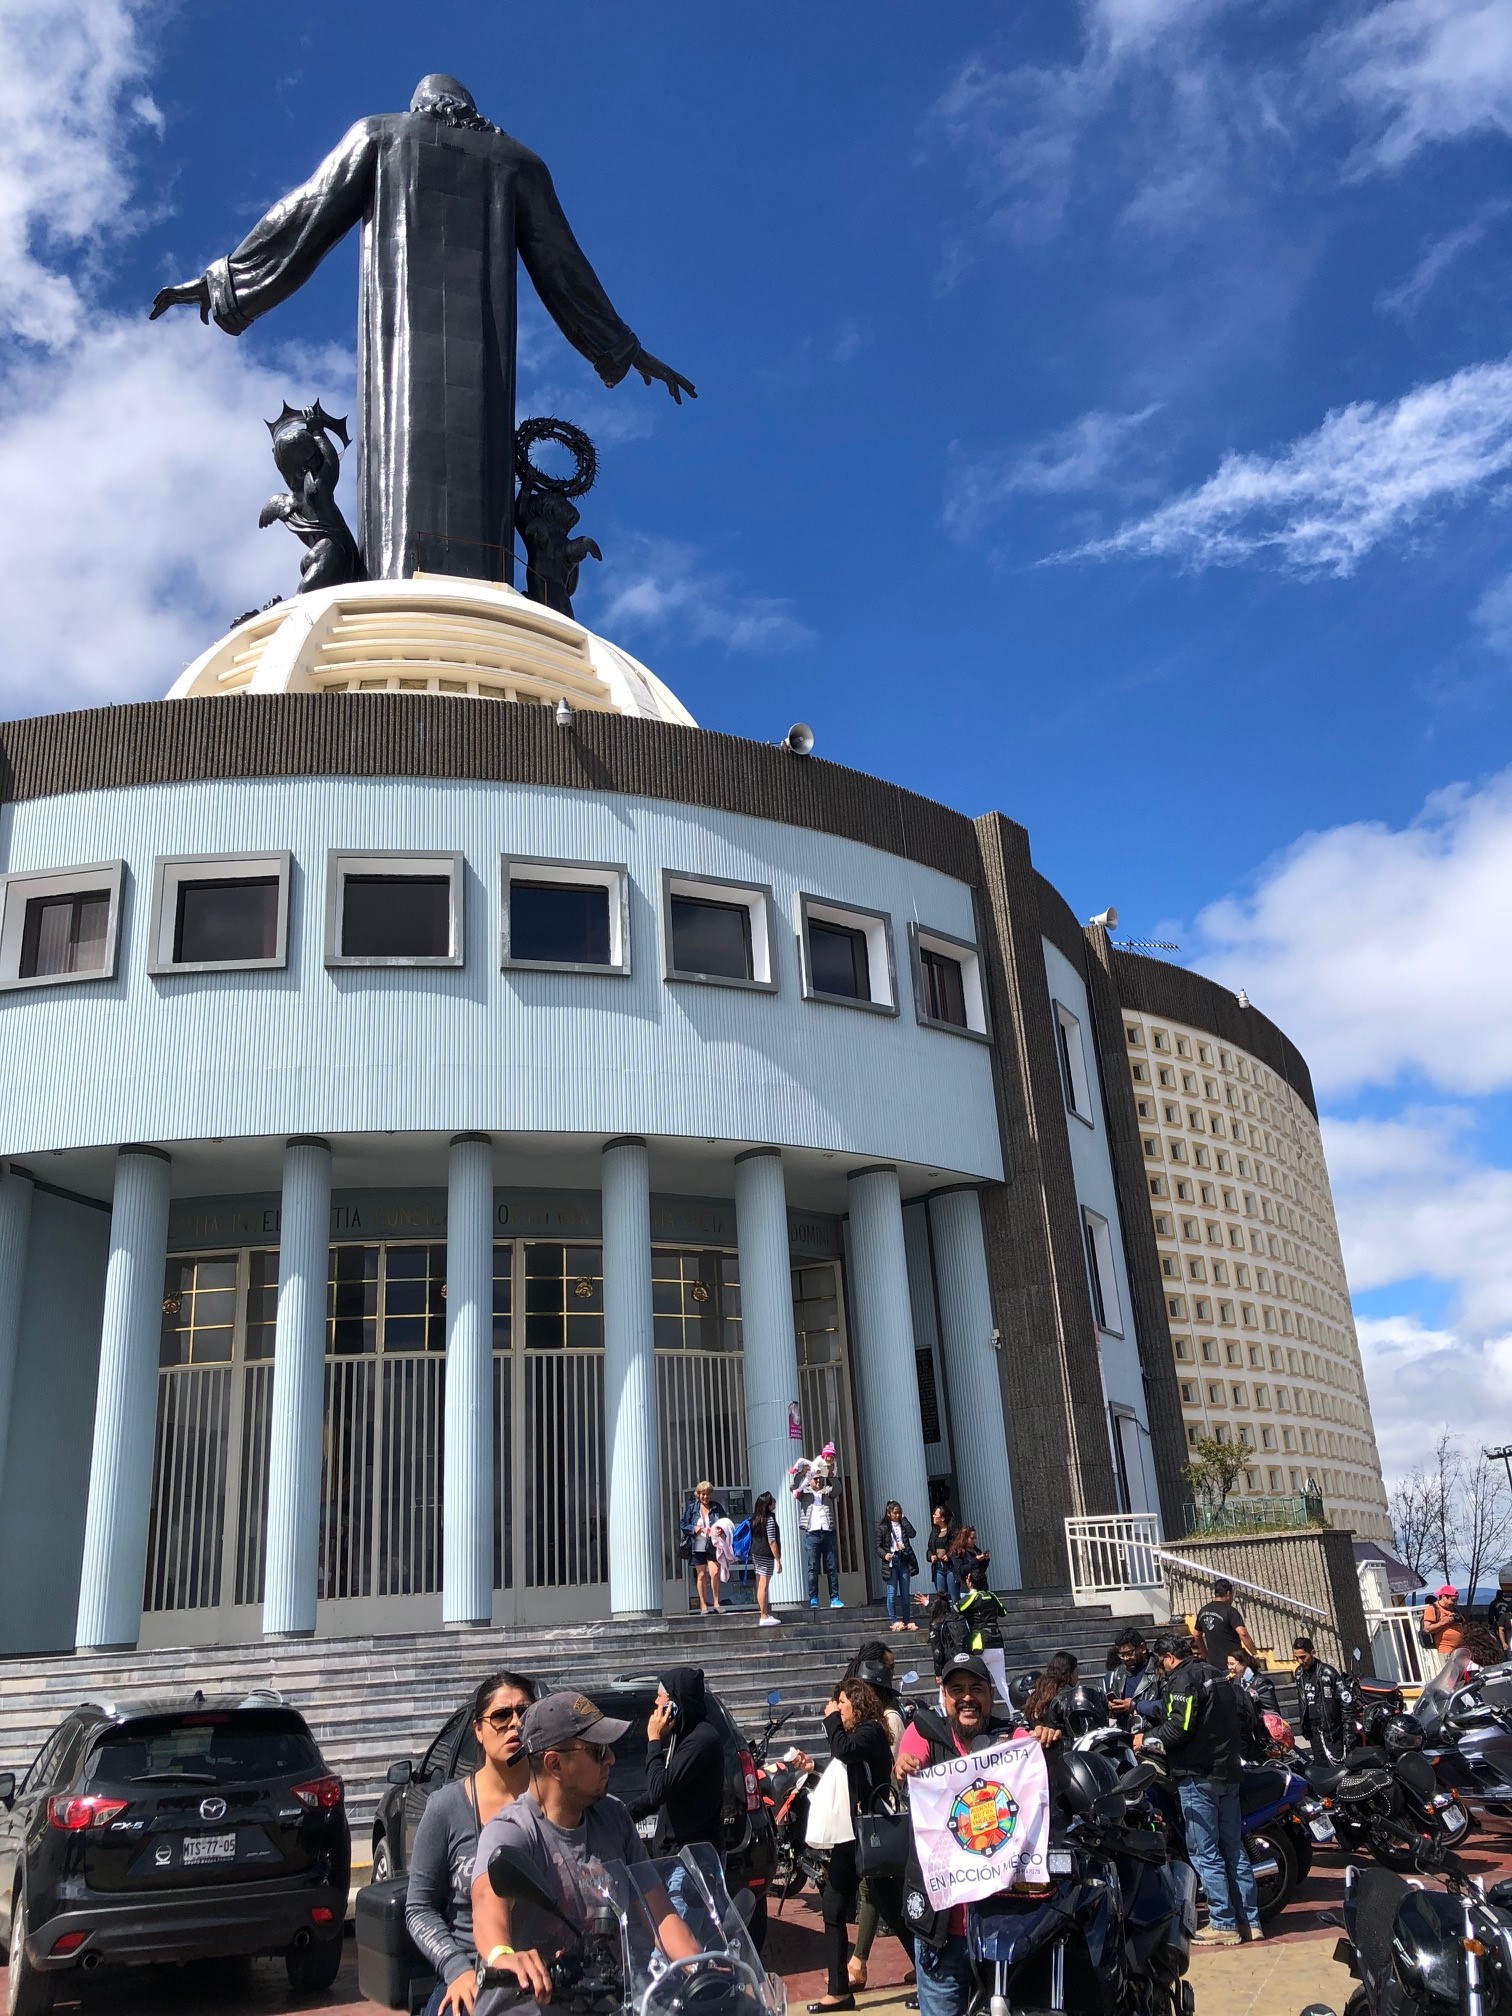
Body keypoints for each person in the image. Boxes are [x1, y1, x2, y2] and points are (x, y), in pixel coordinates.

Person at [470, 1691, 700, 2015]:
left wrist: (701, 1968)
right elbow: (486, 1903)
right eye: (598, 1751)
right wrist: (502, 1955)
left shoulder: (614, 1817)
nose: (611, 1759)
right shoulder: (512, 1831)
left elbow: (659, 1914)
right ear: (555, 1764)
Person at [895, 1653, 1025, 2016]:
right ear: (944, 1696)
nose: (967, 1697)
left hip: (1004, 1929)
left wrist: (1045, 1742)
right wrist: (903, 1767)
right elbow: (905, 1761)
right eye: (957, 1689)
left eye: (976, 1688)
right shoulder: (923, 1732)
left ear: (990, 1695)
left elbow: (1036, 1766)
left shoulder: (1012, 1737)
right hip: (942, 1928)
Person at [406, 1670, 538, 2016]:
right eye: (501, 1715)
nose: (515, 1724)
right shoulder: (446, 1806)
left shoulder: (554, 1799)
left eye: (524, 1712)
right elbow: (418, 1907)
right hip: (476, 1978)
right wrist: (456, 1969)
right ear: (478, 1730)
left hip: (548, 1974)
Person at [1140, 1632, 1260, 1948]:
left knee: (1205, 1851)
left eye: (1160, 1662)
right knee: (1233, 1848)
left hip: (1198, 1775)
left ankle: (1222, 1923)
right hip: (1228, 1772)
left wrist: (1145, 1739)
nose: (1160, 1669)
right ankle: (1250, 1922)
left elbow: (1178, 1727)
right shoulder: (1214, 1674)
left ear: (1167, 1657)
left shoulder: (1183, 1678)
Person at [805, 1677, 893, 2013]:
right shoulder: (859, 1735)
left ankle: (933, 1974)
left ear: (857, 1704)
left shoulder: (869, 1731)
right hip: (852, 1833)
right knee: (833, 1905)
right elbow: (843, 1761)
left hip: (872, 1832)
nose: (837, 1708)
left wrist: (830, 1722)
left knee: (892, 1906)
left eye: (842, 1702)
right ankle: (838, 1989)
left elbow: (843, 1750)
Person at [645, 1667, 725, 1852]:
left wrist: (654, 1739)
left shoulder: (701, 1739)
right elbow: (669, 1784)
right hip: (675, 1850)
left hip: (694, 1855)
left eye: (660, 1696)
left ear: (674, 1704)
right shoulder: (681, 1733)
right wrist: (628, 1812)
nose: (656, 1702)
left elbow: (659, 1791)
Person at [793, 1454, 844, 1609]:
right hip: (812, 1534)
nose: (818, 1481)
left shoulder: (827, 1491)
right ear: (810, 1480)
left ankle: (834, 1597)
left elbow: (838, 1489)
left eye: (819, 1479)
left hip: (827, 1532)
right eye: (815, 1479)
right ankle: (813, 1598)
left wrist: (830, 1475)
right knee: (812, 1567)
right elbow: (793, 1486)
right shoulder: (805, 1493)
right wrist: (801, 1474)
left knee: (831, 1566)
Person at [1292, 1637, 1347, 1764]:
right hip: (1312, 1729)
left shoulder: (1328, 1672)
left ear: (1312, 1652)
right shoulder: (1299, 1673)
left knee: (1336, 1766)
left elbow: (1345, 1703)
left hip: (1330, 1730)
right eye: (1296, 1657)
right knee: (1320, 1768)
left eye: (1303, 1657)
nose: (1300, 1661)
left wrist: (1348, 1732)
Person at [681, 1481, 727, 1616]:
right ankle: (703, 1604)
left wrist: (721, 1530)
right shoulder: (692, 1508)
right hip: (697, 1547)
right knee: (701, 1576)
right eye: (703, 1494)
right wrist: (693, 1528)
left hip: (712, 1546)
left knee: (715, 1572)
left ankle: (716, 1603)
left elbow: (725, 1522)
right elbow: (683, 1524)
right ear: (698, 1495)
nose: (705, 1497)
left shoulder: (716, 1507)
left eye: (707, 1494)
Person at [1194, 1579, 1259, 1674]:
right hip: (1233, 1663)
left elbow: (1196, 1635)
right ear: (1228, 1593)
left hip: (1214, 1664)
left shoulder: (1203, 1611)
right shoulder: (1230, 1611)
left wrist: (1205, 1654)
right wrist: (1254, 1654)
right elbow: (1243, 1633)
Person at [1021, 1651, 1078, 1750]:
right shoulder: (1068, 1695)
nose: (1078, 1677)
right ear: (1070, 1673)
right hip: (1062, 1750)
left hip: (1038, 1749)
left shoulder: (1037, 1693)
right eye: (1076, 1672)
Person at [877, 1501, 920, 1632]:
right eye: (895, 1513)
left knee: (905, 1594)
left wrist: (904, 1519)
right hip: (891, 1560)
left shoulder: (902, 1525)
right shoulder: (883, 1528)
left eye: (899, 1513)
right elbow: (878, 1547)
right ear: (889, 1513)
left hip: (903, 1559)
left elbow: (912, 1533)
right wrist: (885, 1555)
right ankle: (894, 1621)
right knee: (891, 1593)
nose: (897, 1515)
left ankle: (907, 1621)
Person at [1105, 1631, 1164, 1724]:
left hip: (1152, 1732)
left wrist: (1133, 1705)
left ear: (1143, 1648)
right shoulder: (1119, 1672)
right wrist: (1112, 1705)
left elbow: (1167, 1706)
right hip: (1125, 1731)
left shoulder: (1159, 1670)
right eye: (1122, 1655)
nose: (1125, 1658)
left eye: (1129, 1653)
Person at [749, 1490, 783, 1626]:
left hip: (756, 1553)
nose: (775, 1502)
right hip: (765, 1554)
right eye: (773, 1501)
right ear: (768, 1504)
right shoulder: (769, 1519)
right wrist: (778, 1559)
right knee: (764, 1585)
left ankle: (763, 1612)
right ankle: (763, 1615)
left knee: (759, 1584)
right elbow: (772, 1541)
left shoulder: (755, 1519)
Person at [956, 1570, 1007, 1652]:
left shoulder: (973, 1597)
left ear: (970, 1582)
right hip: (998, 1642)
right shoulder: (992, 1596)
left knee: (980, 1664)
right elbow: (1004, 1612)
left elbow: (955, 1609)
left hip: (980, 1643)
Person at [1422, 1586, 1466, 1670]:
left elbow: (1463, 1622)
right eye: (1453, 1600)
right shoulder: (1432, 1609)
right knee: (1449, 1677)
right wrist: (1445, 1622)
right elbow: (1427, 1629)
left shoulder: (1453, 1609)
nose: (1455, 1603)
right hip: (1446, 1650)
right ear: (1443, 1597)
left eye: (1456, 1600)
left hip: (1459, 1649)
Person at [927, 1592, 969, 1677]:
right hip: (965, 1660)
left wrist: (938, 1673)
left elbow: (937, 1652)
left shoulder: (936, 1625)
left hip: (948, 1664)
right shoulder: (958, 1620)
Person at [925, 1506, 959, 1601]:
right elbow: (929, 1549)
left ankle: (957, 1614)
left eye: (936, 1515)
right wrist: (931, 1556)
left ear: (942, 1518)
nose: (933, 1516)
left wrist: (949, 1556)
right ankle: (943, 1615)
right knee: (941, 1596)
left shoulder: (952, 1532)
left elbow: (957, 1548)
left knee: (954, 1596)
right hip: (938, 1567)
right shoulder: (934, 1532)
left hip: (950, 1568)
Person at [947, 1524, 988, 1588]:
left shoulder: (976, 1550)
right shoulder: (957, 1552)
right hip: (966, 1587)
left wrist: (985, 1560)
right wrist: (976, 1560)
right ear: (964, 1539)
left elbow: (982, 1569)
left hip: (981, 1586)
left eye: (975, 1538)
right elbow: (961, 1570)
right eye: (972, 1538)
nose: (974, 1541)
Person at [1489, 1564, 1512, 1656]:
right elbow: (1492, 1622)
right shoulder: (1496, 1604)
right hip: (1503, 1636)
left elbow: (1491, 1621)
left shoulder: (1495, 1603)